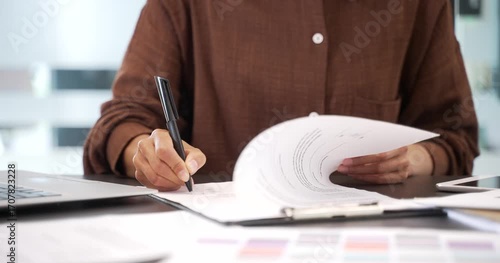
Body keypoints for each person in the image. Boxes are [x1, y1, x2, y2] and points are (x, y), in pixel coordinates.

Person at [83, 0, 479, 191]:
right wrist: (148, 152)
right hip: (217, 251)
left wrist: (412, 159)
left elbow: (455, 137)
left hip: (373, 253)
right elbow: (122, 121)